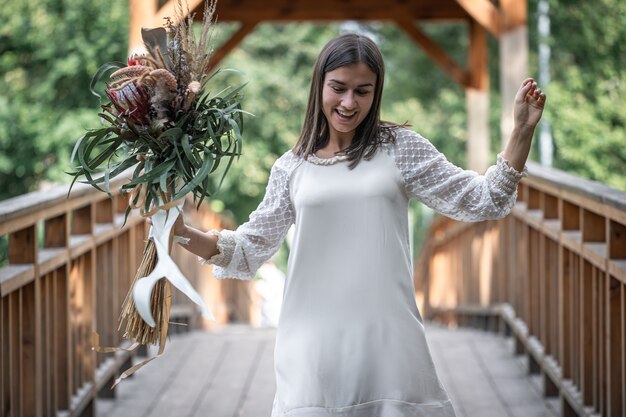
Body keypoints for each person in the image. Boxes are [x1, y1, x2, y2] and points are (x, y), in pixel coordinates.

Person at [172, 33, 545, 417]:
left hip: (388, 342)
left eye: (362, 91)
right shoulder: (291, 167)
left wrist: (522, 131)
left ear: (376, 92)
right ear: (319, 85)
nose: (349, 103)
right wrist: (183, 233)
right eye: (338, 88)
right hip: (312, 346)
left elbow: (485, 200)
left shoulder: (401, 148)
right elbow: (248, 249)